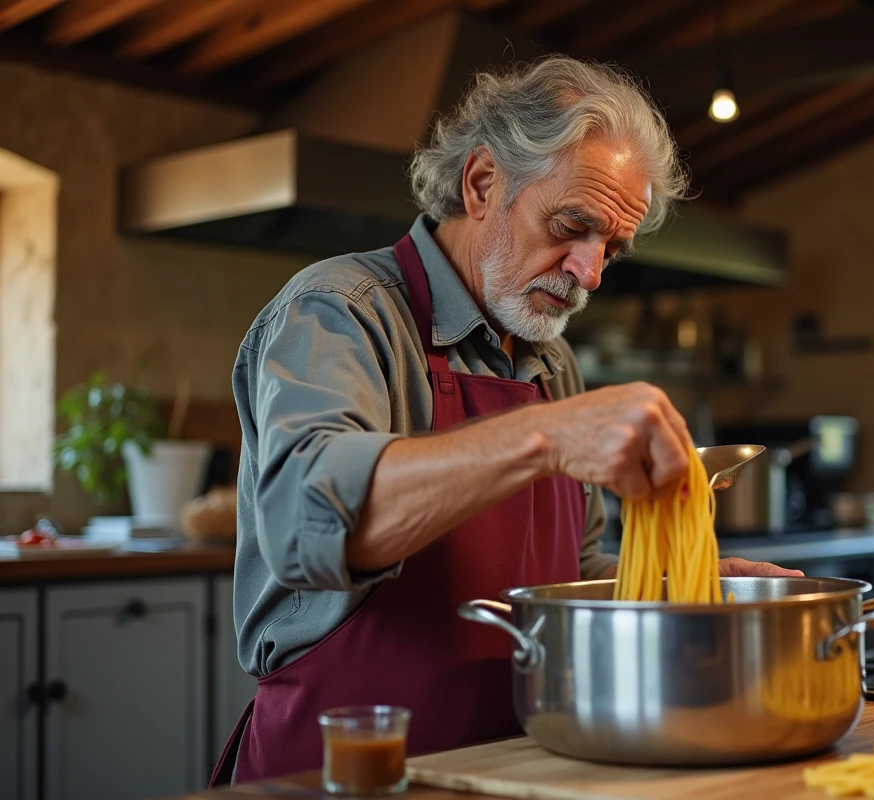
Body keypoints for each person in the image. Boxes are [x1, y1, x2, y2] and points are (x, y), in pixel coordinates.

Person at [211, 55, 802, 786]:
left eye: (610, 249)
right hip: (346, 775)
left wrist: (690, 583)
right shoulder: (342, 310)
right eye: (572, 226)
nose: (588, 273)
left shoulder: (551, 365)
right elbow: (308, 526)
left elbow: (568, 574)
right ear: (483, 184)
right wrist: (548, 438)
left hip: (520, 771)